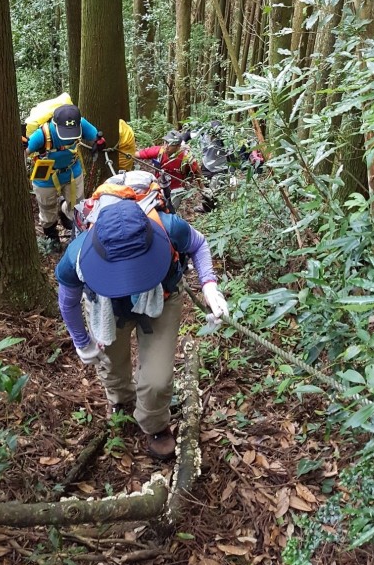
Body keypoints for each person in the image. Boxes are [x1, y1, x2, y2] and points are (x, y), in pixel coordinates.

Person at [55, 172, 228, 460]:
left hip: (163, 297)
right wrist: (81, 341)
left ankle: (154, 421)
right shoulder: (77, 254)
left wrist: (210, 286)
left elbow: (198, 244)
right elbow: (68, 301)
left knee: (157, 379)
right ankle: (121, 400)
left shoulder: (168, 227)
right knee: (110, 361)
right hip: (106, 305)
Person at [25, 103, 103, 248]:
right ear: (55, 124)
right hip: (46, 176)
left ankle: (69, 219)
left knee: (77, 205)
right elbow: (25, 151)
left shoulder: (81, 123)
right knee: (47, 207)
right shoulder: (42, 134)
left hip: (72, 171)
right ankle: (51, 235)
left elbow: (95, 136)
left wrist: (98, 143)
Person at [136, 129, 201, 210]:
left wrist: (203, 188)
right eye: (165, 142)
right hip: (158, 187)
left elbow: (197, 172)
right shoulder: (159, 151)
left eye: (170, 145)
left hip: (176, 191)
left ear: (178, 146)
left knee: (170, 210)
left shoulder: (186, 157)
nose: (166, 146)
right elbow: (138, 154)